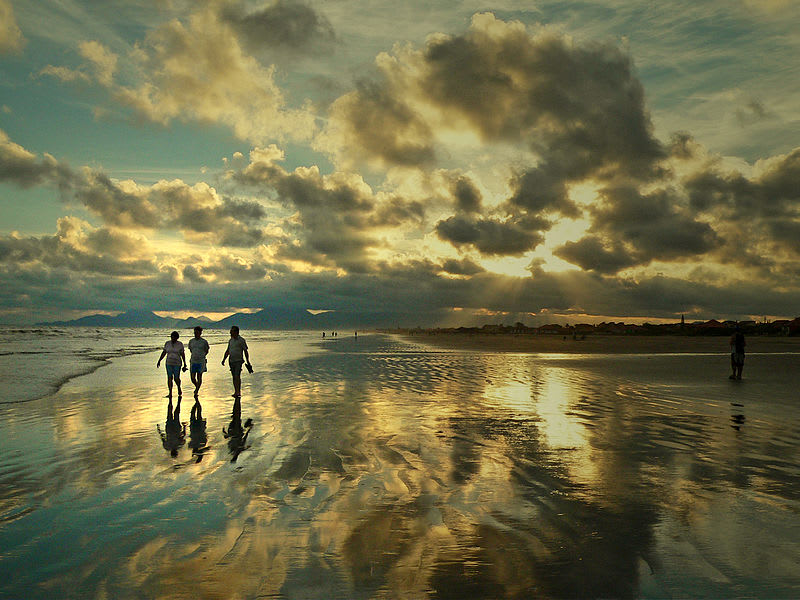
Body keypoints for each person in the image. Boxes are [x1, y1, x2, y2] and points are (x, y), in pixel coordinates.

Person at [221, 326, 250, 398]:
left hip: (238, 361)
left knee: (237, 376)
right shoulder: (230, 340)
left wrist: (248, 361)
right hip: (231, 360)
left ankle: (238, 391)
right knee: (234, 376)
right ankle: (236, 391)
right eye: (230, 331)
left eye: (232, 331)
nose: (230, 333)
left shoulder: (241, 340)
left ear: (236, 332)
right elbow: (228, 350)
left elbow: (245, 351)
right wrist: (224, 359)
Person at [156, 331, 187, 398]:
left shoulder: (180, 344)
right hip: (169, 363)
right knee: (169, 377)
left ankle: (179, 387)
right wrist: (159, 360)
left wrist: (185, 363)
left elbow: (182, 354)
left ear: (177, 338)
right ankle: (170, 392)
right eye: (172, 337)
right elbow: (164, 352)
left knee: (176, 378)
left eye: (174, 337)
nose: (173, 338)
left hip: (177, 363)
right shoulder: (167, 343)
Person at [187, 326, 210, 397]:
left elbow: (207, 351)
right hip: (193, 360)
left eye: (197, 332)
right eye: (194, 332)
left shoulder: (204, 342)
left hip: (201, 361)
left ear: (200, 333)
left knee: (199, 376)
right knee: (192, 377)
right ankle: (197, 386)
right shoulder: (191, 341)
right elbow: (191, 350)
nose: (195, 334)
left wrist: (202, 356)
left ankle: (196, 390)